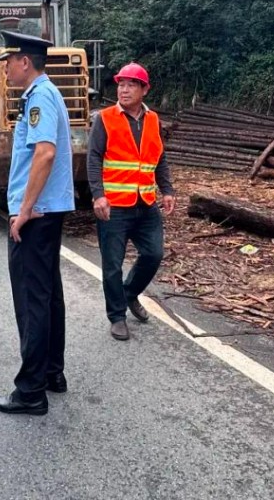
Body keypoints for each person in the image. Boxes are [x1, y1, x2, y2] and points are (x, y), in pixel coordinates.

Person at [0, 30, 74, 416]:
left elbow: (44, 154)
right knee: (47, 294)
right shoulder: (45, 94)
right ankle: (52, 373)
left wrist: (23, 210)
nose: (5, 67)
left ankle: (30, 391)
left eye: (9, 61)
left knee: (31, 300)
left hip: (35, 214)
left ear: (25, 62)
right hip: (49, 210)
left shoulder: (39, 96)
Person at [87, 62, 175, 341]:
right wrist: (98, 195)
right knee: (112, 264)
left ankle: (129, 293)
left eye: (130, 85)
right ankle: (117, 316)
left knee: (153, 254)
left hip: (145, 202)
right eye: (120, 84)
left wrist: (167, 189)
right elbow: (93, 158)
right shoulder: (106, 118)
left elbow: (158, 157)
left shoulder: (153, 120)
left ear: (144, 90)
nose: (123, 90)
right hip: (113, 205)